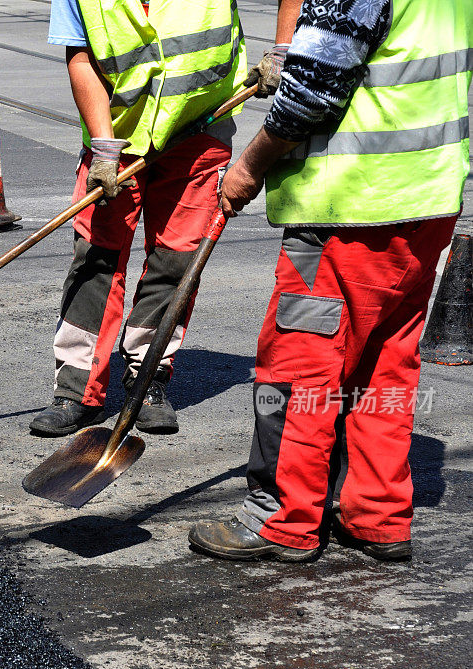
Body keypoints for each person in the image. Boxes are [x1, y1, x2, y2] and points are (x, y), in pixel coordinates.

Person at [188, 0, 473, 562]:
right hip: (425, 200)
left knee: (300, 367)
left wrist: (248, 167)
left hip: (348, 206)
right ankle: (378, 514)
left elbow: (310, 95)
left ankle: (282, 517)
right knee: (385, 362)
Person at [30, 0, 301, 437]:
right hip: (116, 135)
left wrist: (284, 49)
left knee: (176, 259)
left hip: (199, 130)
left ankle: (148, 376)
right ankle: (76, 389)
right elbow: (80, 55)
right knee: (97, 256)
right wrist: (103, 146)